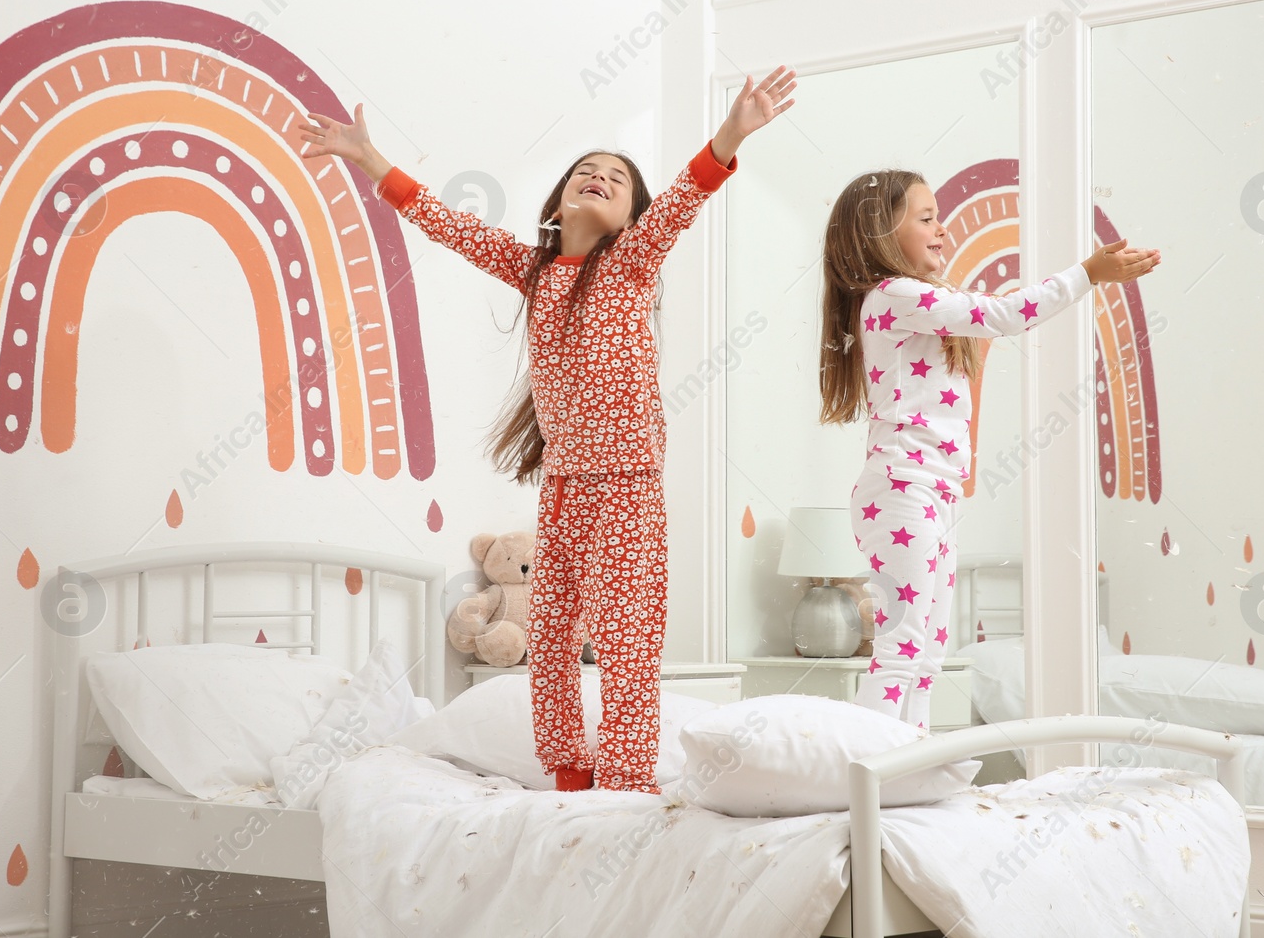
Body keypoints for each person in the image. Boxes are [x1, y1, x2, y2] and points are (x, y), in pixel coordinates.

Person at [298, 68, 797, 789]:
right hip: (564, 487)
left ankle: (626, 783)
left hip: (627, 486)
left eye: (615, 179)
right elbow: (448, 224)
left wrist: (732, 131)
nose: (598, 177)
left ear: (630, 219)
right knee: (552, 639)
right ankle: (568, 775)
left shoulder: (628, 263)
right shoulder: (533, 273)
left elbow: (685, 198)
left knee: (625, 640)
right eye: (586, 171)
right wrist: (370, 158)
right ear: (558, 200)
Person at [817, 170, 1159, 726]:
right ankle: (860, 770)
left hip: (934, 493)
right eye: (926, 219)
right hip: (903, 490)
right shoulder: (892, 296)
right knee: (901, 649)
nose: (942, 230)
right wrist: (1087, 274)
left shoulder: (915, 304)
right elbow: (1003, 315)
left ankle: (908, 765)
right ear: (881, 232)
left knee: (928, 655)